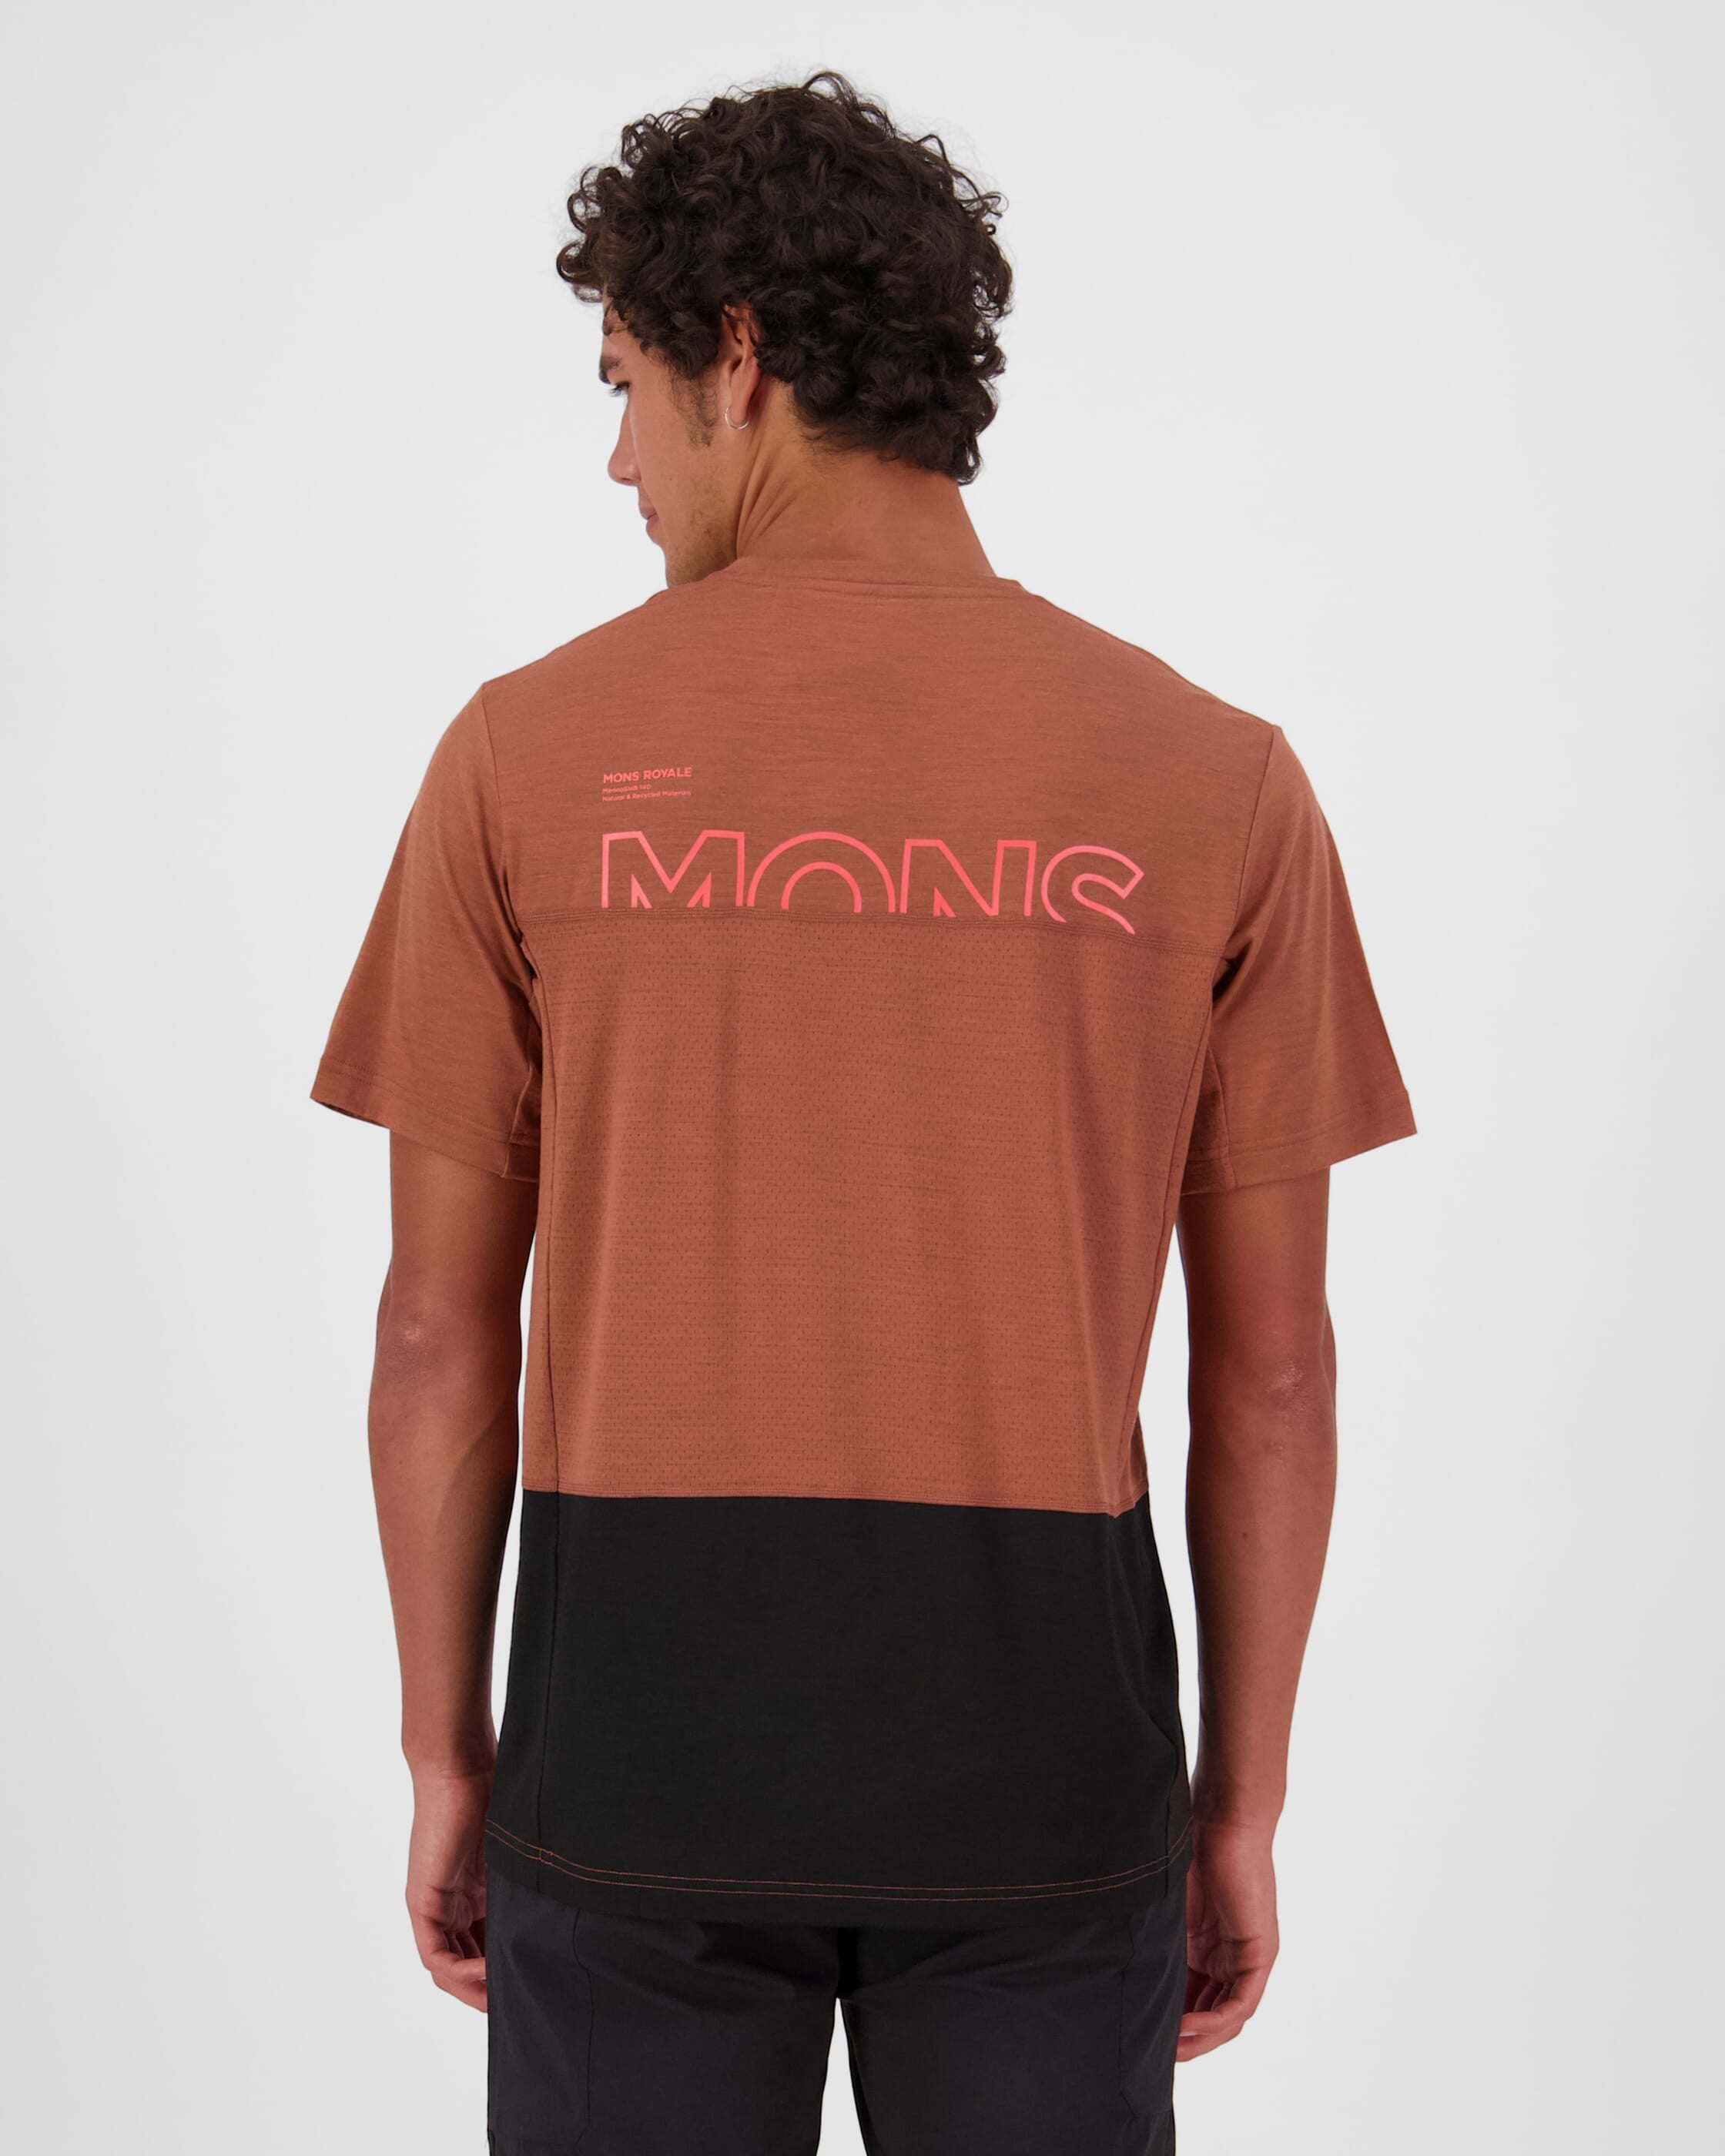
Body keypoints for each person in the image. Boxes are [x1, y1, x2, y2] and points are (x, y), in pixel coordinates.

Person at [312, 69, 1415, 2156]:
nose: (618, 457)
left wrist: (448, 1756)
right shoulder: (1218, 779)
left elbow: (436, 1332)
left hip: (630, 1757)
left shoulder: (520, 757)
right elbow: (1275, 1376)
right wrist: (1240, 1805)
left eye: (625, 385)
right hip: (1047, 1781)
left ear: (737, 360)